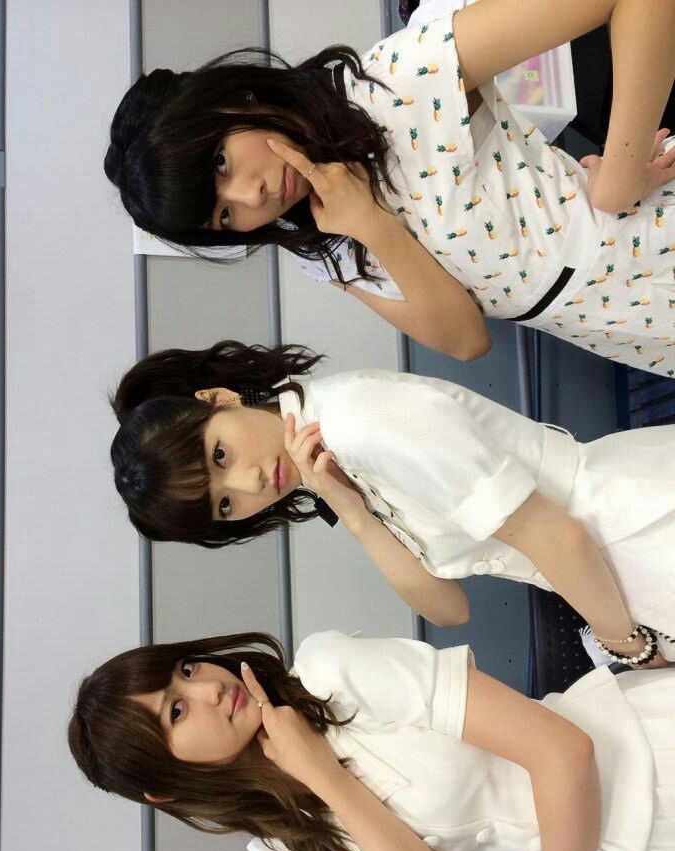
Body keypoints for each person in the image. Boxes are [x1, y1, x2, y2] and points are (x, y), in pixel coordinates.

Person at [104, 1, 675, 375]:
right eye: (224, 217)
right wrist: (371, 225)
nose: (250, 198)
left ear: (230, 104)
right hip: (626, 330)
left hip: (648, 241)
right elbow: (465, 340)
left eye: (222, 165)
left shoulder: (392, 82)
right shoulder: (325, 248)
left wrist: (619, 178)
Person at [68, 628, 675, 851]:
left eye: (186, 669)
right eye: (176, 711)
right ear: (164, 785)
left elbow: (563, 752)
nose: (208, 688)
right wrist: (327, 780)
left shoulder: (330, 672)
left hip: (644, 753)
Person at [110, 341, 675, 663]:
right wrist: (355, 516)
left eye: (220, 456)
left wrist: (629, 648)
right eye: (225, 505)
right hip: (613, 576)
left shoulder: (359, 418)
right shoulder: (329, 469)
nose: (250, 483)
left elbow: (557, 536)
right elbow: (449, 610)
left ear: (218, 399)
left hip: (637, 526)